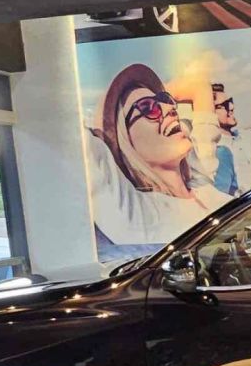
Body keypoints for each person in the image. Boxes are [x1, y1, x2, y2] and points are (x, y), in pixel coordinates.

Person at [91, 63, 235, 254]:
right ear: (125, 140)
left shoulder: (201, 184)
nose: (169, 108)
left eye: (165, 99)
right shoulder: (139, 214)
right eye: (148, 107)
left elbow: (205, 123)